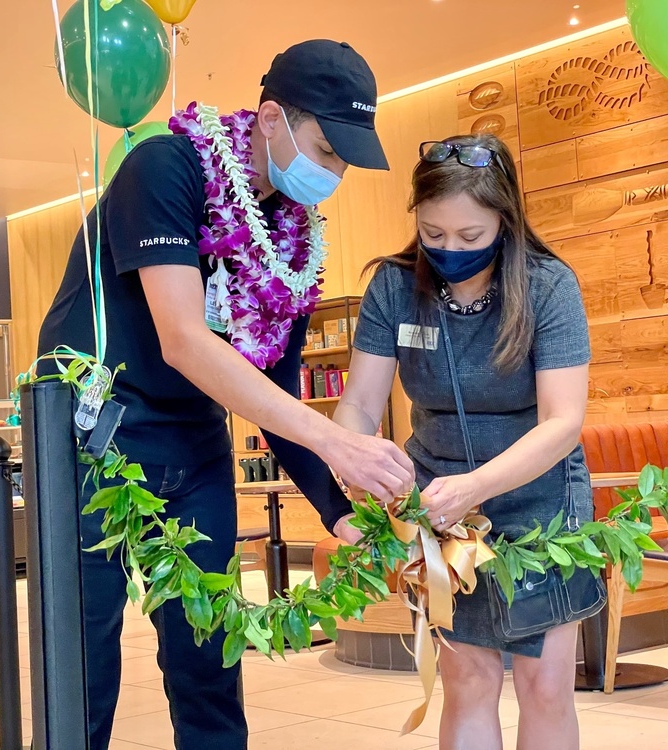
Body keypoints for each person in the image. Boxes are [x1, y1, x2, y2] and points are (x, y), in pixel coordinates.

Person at [37, 40, 415, 750]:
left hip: (193, 445)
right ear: (271, 117)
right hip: (92, 439)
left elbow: (276, 388)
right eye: (326, 150)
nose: (332, 172)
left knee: (208, 655)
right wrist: (339, 442)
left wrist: (339, 513)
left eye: (343, 161)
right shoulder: (163, 166)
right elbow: (182, 337)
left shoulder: (293, 240)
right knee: (82, 659)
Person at [333, 133, 591, 750]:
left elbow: (563, 422)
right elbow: (360, 405)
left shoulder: (549, 286)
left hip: (541, 509)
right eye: (433, 234)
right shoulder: (393, 289)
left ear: (506, 220)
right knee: (468, 680)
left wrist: (476, 486)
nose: (450, 249)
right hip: (440, 517)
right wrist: (355, 469)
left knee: (545, 686)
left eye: (471, 237)